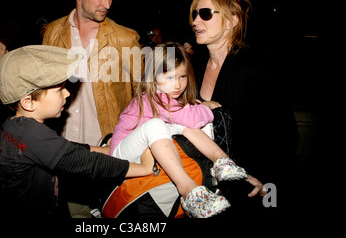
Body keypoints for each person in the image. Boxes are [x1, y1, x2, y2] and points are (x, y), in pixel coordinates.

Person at [0, 45, 153, 216]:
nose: (67, 93)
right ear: (28, 102)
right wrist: (144, 168)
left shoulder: (16, 126)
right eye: (59, 89)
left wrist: (104, 150)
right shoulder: (31, 133)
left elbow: (65, 148)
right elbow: (87, 164)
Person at [110, 42, 264, 218]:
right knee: (162, 124)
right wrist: (208, 108)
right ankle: (187, 190)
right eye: (169, 78)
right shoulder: (154, 97)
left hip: (142, 151)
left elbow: (188, 121)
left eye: (182, 77)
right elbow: (193, 117)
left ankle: (224, 163)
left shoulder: (167, 99)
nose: (177, 85)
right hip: (121, 155)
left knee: (183, 125)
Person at [187, 0, 298, 210]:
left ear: (231, 20)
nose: (196, 21)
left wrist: (265, 180)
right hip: (209, 185)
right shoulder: (195, 66)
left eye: (205, 14)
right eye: (195, 14)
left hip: (250, 188)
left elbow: (285, 135)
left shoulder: (255, 68)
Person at [42, 0, 142, 146]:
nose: (107, 4)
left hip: (107, 147)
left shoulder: (125, 38)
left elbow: (143, 96)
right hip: (61, 145)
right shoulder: (53, 32)